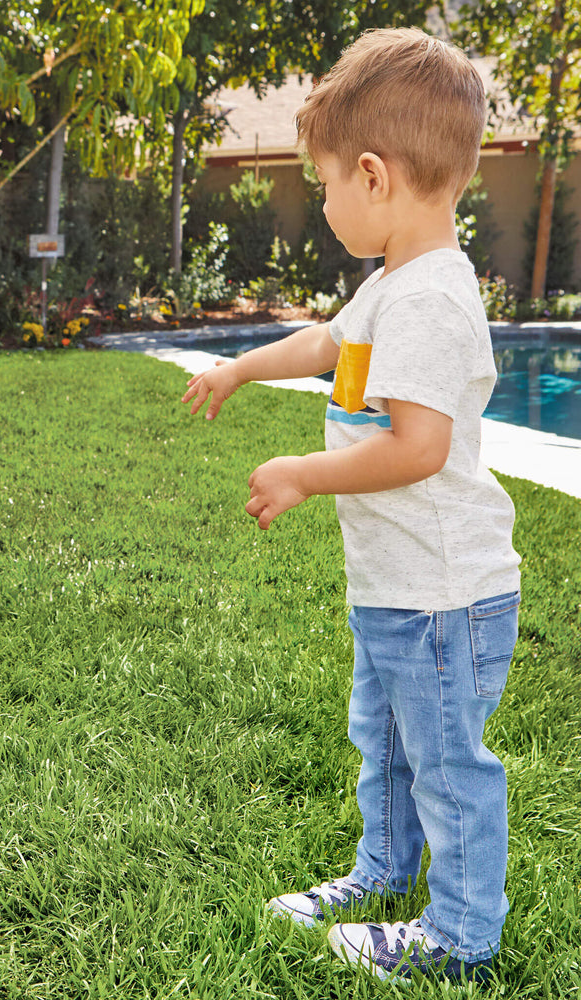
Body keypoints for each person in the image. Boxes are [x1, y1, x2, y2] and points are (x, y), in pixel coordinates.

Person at [181, 27, 521, 983]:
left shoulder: (430, 304)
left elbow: (420, 448)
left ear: (374, 177)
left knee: (448, 769)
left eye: (324, 181)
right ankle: (382, 874)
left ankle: (461, 938)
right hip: (398, 588)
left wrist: (301, 470)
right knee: (385, 745)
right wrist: (245, 367)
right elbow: (327, 344)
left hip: (445, 596)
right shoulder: (395, 285)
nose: (323, 201)